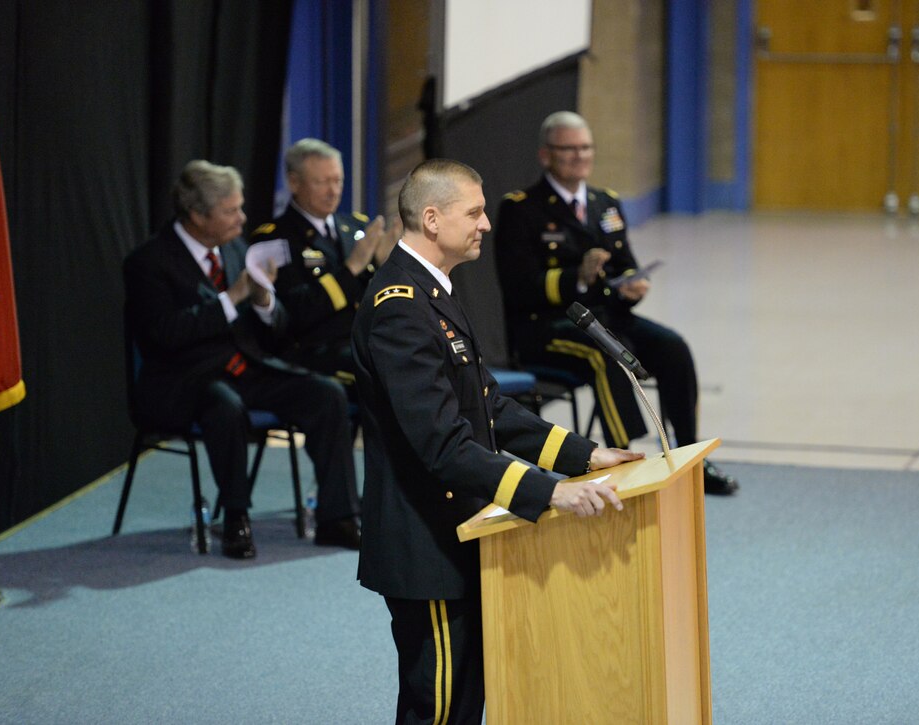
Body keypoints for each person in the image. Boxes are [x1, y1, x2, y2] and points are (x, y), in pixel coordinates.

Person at [351, 158, 642, 723]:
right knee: (436, 706)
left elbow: (487, 406)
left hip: (459, 532)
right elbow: (442, 443)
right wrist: (549, 493)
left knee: (465, 701)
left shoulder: (435, 292)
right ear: (432, 219)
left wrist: (585, 456)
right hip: (424, 546)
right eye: (475, 212)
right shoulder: (400, 309)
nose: (486, 224)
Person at [123, 160, 362, 558]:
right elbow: (165, 335)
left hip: (245, 367)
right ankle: (236, 516)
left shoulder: (235, 248)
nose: (243, 217)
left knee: (326, 394)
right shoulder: (148, 262)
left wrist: (265, 301)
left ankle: (338, 517)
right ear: (198, 215)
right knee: (225, 407)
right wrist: (231, 299)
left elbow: (275, 328)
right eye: (232, 211)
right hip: (186, 378)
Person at [493, 110, 739, 495]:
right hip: (546, 328)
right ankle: (627, 463)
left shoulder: (604, 203)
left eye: (586, 147)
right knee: (608, 355)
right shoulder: (521, 208)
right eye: (569, 149)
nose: (580, 156)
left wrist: (631, 287)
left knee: (673, 348)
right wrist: (578, 276)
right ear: (546, 155)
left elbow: (626, 266)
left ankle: (689, 458)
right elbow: (519, 286)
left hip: (606, 318)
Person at [250, 138, 398, 388]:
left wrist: (386, 266)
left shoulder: (356, 227)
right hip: (313, 350)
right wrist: (352, 269)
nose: (333, 191)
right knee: (385, 373)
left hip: (363, 341)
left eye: (338, 180)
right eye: (322, 182)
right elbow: (296, 313)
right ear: (294, 182)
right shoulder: (274, 238)